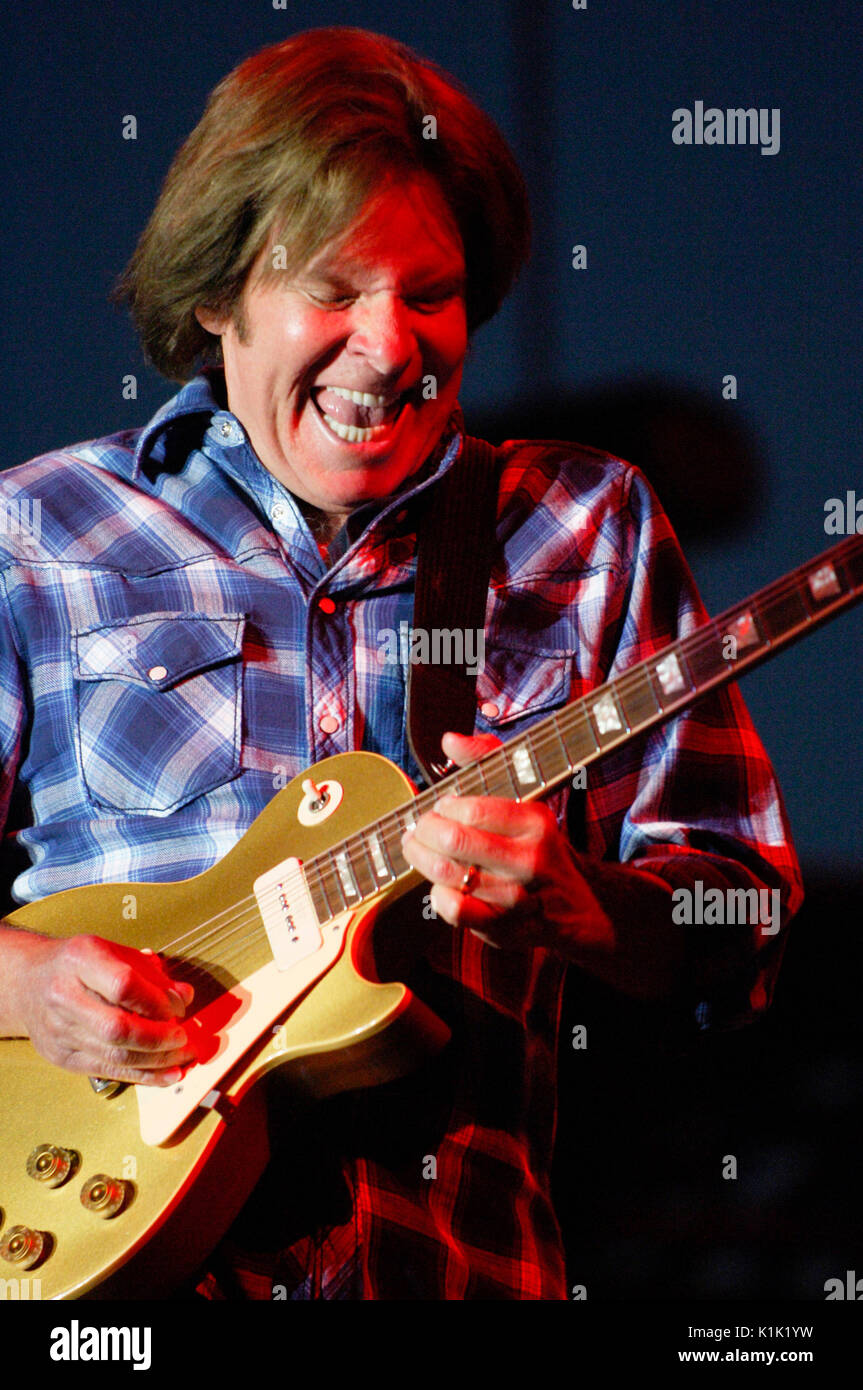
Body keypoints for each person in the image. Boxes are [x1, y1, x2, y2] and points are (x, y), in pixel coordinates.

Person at [0, 27, 802, 1300]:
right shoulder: (38, 534)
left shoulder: (580, 527)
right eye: (332, 288)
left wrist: (586, 909)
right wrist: (33, 983)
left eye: (427, 293)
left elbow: (744, 921)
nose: (388, 346)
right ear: (217, 294)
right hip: (98, 1268)